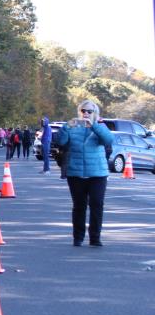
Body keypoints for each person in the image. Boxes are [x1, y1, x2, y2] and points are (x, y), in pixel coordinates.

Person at [54, 101, 113, 246]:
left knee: (97, 204)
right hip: (76, 172)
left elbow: (108, 140)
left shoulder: (99, 126)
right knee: (79, 206)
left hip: (97, 173)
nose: (86, 113)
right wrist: (66, 126)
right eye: (83, 110)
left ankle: (95, 238)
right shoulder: (73, 126)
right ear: (79, 112)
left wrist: (94, 125)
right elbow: (60, 141)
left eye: (89, 111)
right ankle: (78, 237)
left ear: (95, 113)